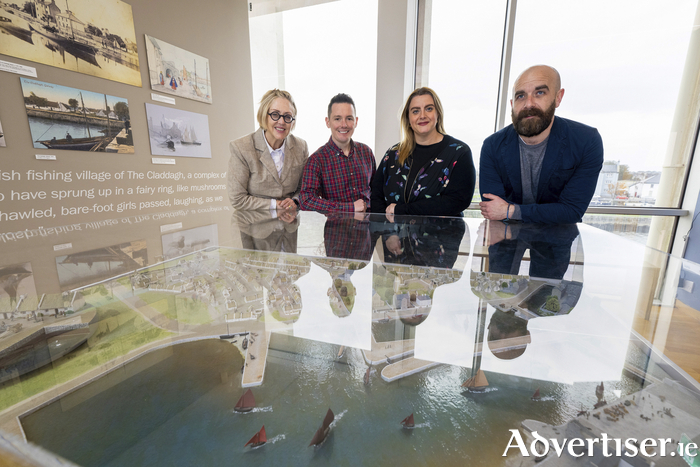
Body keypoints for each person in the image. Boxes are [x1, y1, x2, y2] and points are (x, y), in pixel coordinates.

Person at [479, 65, 604, 224]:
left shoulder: (586, 141)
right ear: (512, 104)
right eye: (520, 96)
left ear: (558, 97)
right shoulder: (492, 145)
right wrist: (506, 212)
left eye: (539, 93)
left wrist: (510, 210)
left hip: (557, 238)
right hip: (506, 237)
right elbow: (493, 210)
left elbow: (571, 211)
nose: (529, 104)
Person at [370, 87, 475, 217]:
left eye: (429, 109)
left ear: (438, 114)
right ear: (408, 119)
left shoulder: (459, 153)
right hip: (395, 236)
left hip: (443, 236)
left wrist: (402, 211)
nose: (422, 115)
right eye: (415, 111)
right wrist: (387, 231)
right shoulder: (393, 154)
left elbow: (457, 201)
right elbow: (376, 197)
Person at [228, 89, 309, 211]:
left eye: (288, 117)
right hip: (255, 225)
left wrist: (295, 201)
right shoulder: (241, 148)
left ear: (292, 122)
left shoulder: (301, 147)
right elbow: (237, 198)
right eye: (275, 114)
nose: (281, 122)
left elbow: (304, 189)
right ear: (264, 115)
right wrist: (275, 205)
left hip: (289, 224)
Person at [299, 93, 375, 212]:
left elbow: (377, 192)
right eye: (337, 119)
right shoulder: (317, 160)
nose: (344, 124)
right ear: (328, 122)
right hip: (336, 229)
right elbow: (306, 200)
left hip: (366, 229)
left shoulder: (366, 152)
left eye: (349, 118)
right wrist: (349, 208)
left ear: (356, 121)